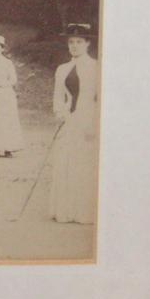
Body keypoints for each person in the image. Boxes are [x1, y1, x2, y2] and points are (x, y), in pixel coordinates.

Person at [49, 23, 100, 224]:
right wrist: (61, 113)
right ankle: (65, 210)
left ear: (88, 44)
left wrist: (94, 123)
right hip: (69, 120)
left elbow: (100, 98)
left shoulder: (96, 67)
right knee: (65, 161)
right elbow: (57, 97)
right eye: (71, 42)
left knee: (84, 163)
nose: (75, 46)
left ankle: (83, 212)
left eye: (79, 41)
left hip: (88, 119)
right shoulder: (62, 69)